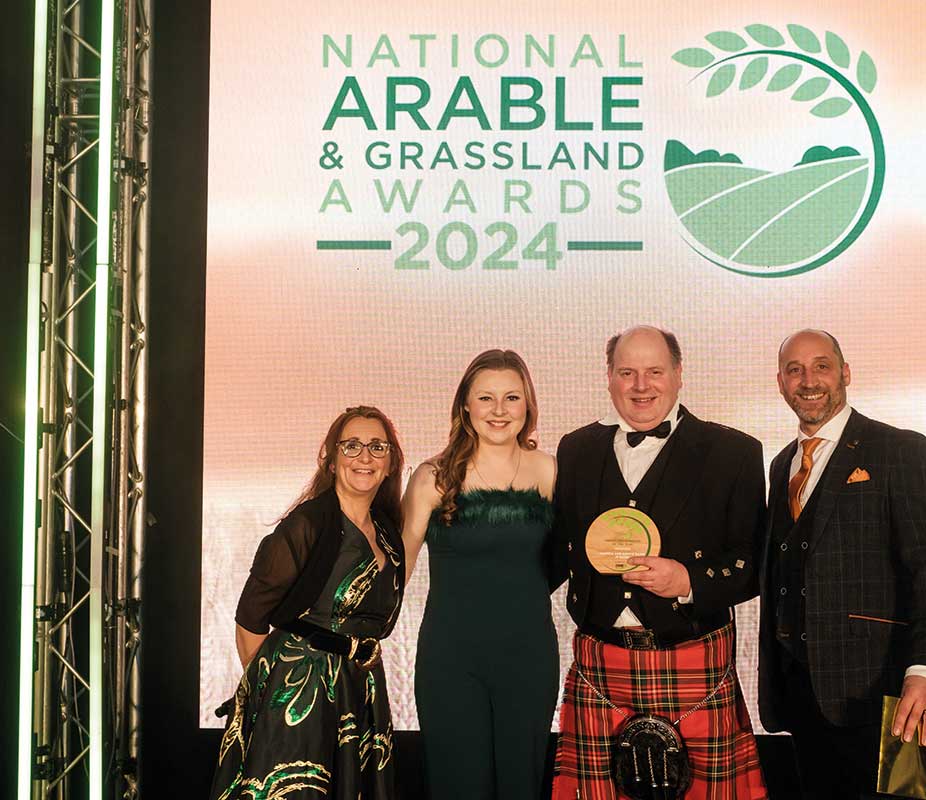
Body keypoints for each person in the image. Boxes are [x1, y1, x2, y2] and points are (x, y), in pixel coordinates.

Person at [550, 325, 768, 799]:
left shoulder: (733, 452)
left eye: (654, 371)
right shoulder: (577, 450)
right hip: (600, 664)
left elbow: (755, 562)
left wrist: (690, 579)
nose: (641, 386)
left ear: (679, 374)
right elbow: (557, 548)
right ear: (608, 377)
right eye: (627, 372)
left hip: (692, 659)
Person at [757, 330, 926, 799]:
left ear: (845, 373)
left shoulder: (900, 450)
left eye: (821, 366)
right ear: (781, 383)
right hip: (803, 697)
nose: (809, 381)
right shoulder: (782, 464)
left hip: (889, 695)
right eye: (795, 370)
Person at [210, 405, 406, 800]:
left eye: (376, 447)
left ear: (390, 463)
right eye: (351, 446)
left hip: (359, 688)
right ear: (331, 460)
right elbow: (251, 617)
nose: (364, 457)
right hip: (302, 689)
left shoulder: (387, 531)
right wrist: (270, 692)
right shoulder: (306, 524)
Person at [401, 349, 558, 799]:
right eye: (486, 398)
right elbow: (401, 565)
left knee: (520, 788)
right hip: (451, 661)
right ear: (465, 405)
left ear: (527, 405)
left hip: (528, 660)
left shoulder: (547, 470)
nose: (499, 410)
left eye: (512, 398)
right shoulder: (433, 477)